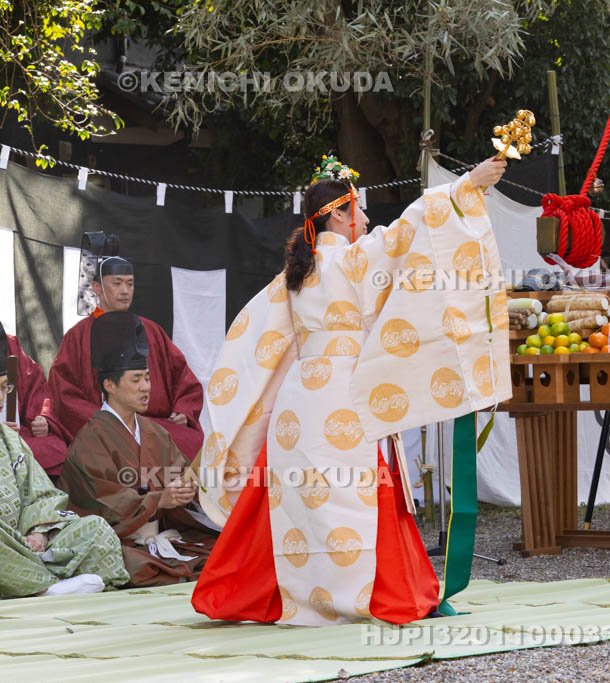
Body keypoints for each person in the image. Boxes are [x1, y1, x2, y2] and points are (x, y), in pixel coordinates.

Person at [191, 154, 512, 626]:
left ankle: (279, 598)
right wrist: (468, 185)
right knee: (359, 493)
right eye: (358, 210)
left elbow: (250, 347)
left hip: (297, 404)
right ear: (338, 214)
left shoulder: (290, 277)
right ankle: (373, 595)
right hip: (346, 392)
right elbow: (415, 224)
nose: (365, 219)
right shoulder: (354, 259)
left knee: (294, 501)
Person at [57, 311, 218, 587]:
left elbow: (179, 475)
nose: (146, 387)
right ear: (110, 385)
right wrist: (158, 500)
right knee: (133, 565)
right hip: (123, 542)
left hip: (162, 536)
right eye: (136, 380)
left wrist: (186, 491)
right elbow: (102, 503)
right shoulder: (89, 441)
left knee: (221, 548)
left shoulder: (156, 433)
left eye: (147, 378)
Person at [48, 256, 205, 460]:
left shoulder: (152, 331)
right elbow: (63, 393)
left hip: (156, 424)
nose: (125, 291)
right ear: (97, 288)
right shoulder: (78, 336)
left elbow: (184, 379)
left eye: (129, 284)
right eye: (117, 283)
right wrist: (107, 421)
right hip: (105, 425)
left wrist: (184, 410)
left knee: (195, 444)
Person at [0, 421, 129, 598]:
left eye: (3, 390)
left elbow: (41, 493)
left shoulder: (9, 440)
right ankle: (44, 589)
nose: (0, 397)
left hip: (24, 544)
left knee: (95, 528)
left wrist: (39, 532)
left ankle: (34, 584)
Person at [1, 322, 71, 476]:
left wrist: (42, 417)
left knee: (55, 449)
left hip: (15, 434)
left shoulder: (10, 343)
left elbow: (35, 387)